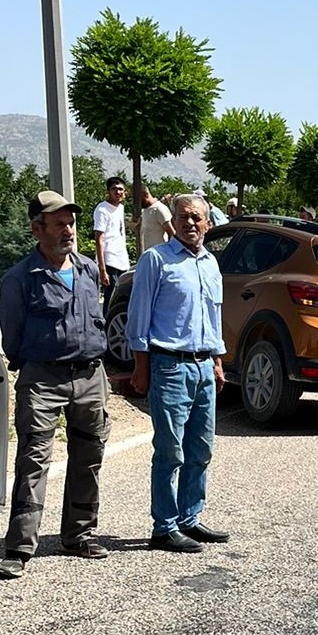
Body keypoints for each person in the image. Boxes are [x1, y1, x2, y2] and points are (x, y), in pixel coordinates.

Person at [0, 190, 112, 579]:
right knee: (33, 460)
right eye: (59, 223)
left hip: (91, 375)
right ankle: (19, 548)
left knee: (89, 456)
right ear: (36, 229)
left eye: (71, 223)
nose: (69, 230)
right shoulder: (19, 278)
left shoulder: (88, 269)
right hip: (43, 378)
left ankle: (79, 535)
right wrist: (36, 364)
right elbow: (11, 336)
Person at [126, 193, 228, 553]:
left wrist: (217, 360)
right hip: (169, 364)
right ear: (174, 220)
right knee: (170, 451)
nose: (190, 223)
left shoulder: (211, 264)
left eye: (197, 218)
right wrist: (141, 367)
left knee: (201, 448)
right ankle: (164, 527)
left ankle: (190, 517)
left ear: (208, 224)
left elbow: (214, 317)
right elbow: (139, 316)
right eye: (184, 217)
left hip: (203, 367)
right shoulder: (156, 260)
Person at [92, 176, 129, 311]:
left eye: (120, 189)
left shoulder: (120, 208)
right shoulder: (102, 210)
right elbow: (99, 239)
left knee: (122, 296)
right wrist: (102, 269)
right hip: (109, 260)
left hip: (122, 259)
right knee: (111, 297)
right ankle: (106, 327)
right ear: (108, 191)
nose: (118, 192)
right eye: (114, 189)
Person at [136, 186, 175, 254]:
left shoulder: (159, 209)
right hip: (149, 256)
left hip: (161, 255)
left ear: (145, 194)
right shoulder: (145, 210)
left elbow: (172, 233)